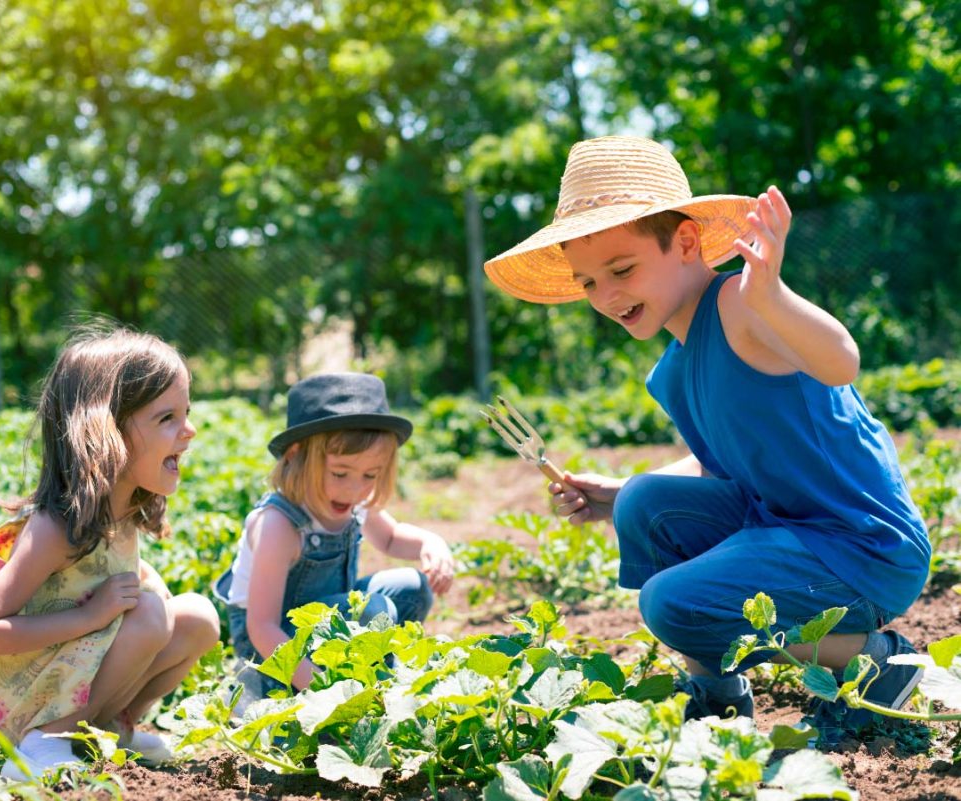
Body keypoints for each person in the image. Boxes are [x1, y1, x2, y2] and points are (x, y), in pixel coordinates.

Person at [483, 135, 930, 743]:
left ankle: (875, 660)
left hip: (860, 549)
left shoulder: (741, 306)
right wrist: (615, 495)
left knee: (672, 604)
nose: (607, 296)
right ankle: (717, 690)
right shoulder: (671, 370)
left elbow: (842, 361)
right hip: (790, 534)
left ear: (687, 243)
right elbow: (722, 464)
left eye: (621, 270)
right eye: (588, 283)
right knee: (645, 502)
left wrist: (770, 294)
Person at [0, 325, 221, 780]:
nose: (190, 429)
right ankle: (43, 746)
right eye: (167, 418)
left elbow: (113, 579)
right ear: (107, 432)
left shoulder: (124, 508)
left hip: (79, 676)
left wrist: (142, 585)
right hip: (28, 696)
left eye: (187, 412)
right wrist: (90, 617)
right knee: (151, 616)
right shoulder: (55, 528)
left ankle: (111, 728)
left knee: (197, 616)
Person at [219, 372, 454, 699]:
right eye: (340, 473)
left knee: (414, 588)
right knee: (374, 609)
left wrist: (433, 543)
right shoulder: (279, 525)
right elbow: (262, 629)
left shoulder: (353, 502)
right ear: (295, 456)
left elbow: (390, 538)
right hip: (273, 657)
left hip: (326, 630)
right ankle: (310, 695)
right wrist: (326, 694)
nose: (355, 488)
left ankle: (376, 682)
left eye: (370, 475)